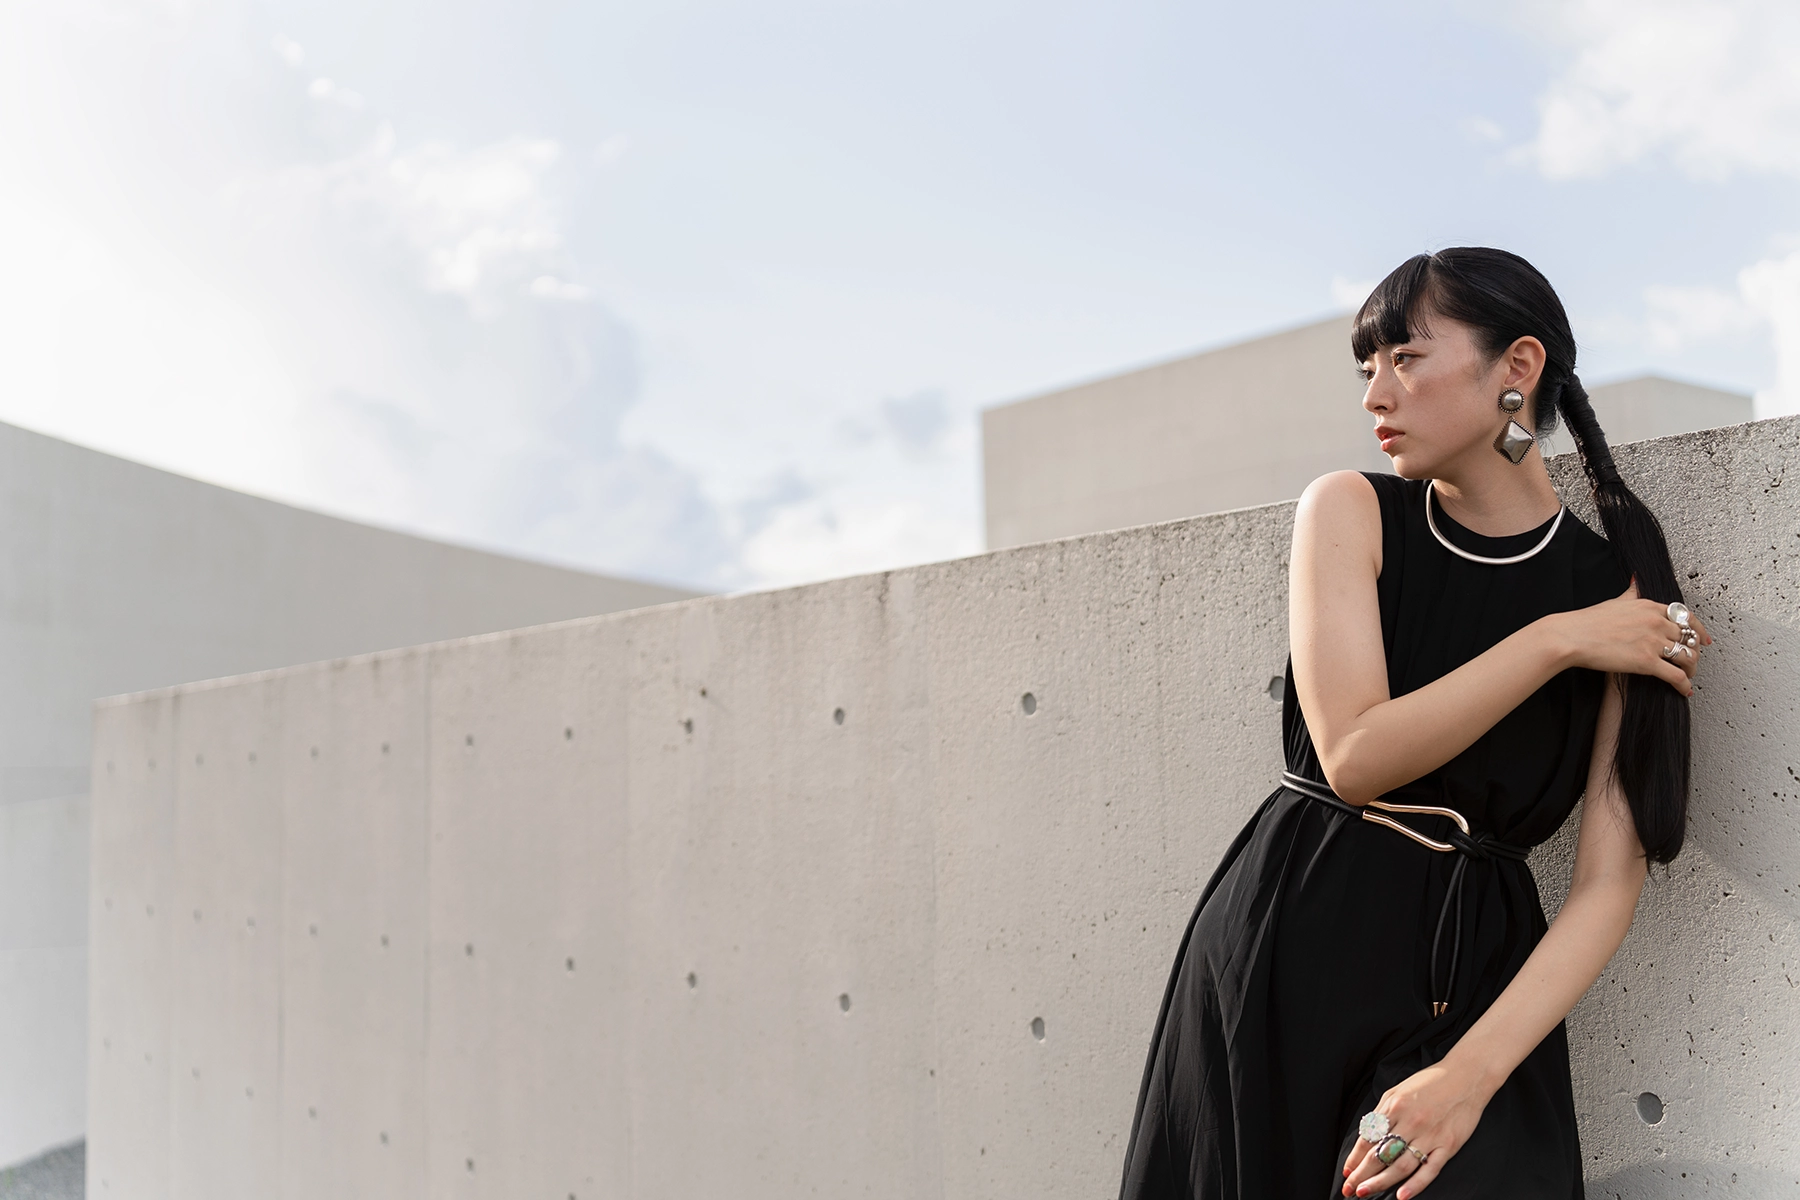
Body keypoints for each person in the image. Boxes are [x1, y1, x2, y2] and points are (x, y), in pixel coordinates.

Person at [1116, 248, 1712, 1200]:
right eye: (1367, 367)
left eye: (1405, 358)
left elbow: (1609, 883)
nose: (1374, 396)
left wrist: (1470, 1079)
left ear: (1515, 369)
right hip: (1293, 942)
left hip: (1479, 979)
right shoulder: (1351, 512)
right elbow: (1354, 756)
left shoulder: (1618, 591)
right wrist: (1553, 643)